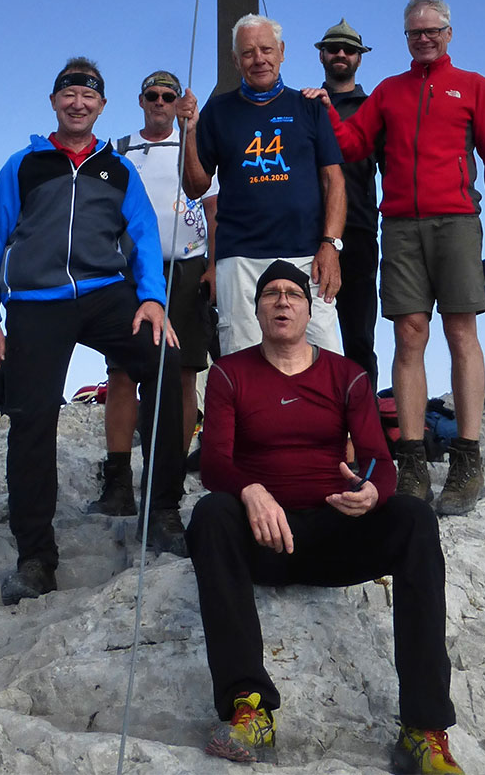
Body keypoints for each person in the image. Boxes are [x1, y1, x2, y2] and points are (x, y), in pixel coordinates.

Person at [186, 261, 463, 774]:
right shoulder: (229, 373)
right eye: (271, 295)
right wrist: (250, 490)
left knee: (414, 518)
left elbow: (380, 458)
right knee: (211, 514)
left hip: (336, 533)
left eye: (293, 294)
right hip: (263, 538)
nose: (283, 302)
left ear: (309, 310)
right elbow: (214, 461)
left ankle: (424, 730)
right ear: (258, 309)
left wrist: (372, 495)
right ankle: (249, 710)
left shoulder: (347, 376)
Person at [0, 57, 187, 605]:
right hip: (36, 302)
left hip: (105, 294)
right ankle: (36, 559)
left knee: (164, 362)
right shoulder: (22, 166)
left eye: (88, 96)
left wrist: (154, 301)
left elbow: (141, 235)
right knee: (32, 418)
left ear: (101, 105)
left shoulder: (119, 170)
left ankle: (160, 511)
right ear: (54, 102)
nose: (78, 103)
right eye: (68, 94)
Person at [307, 0, 485, 516]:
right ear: (405, 38)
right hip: (399, 223)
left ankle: (468, 460)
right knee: (408, 335)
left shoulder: (473, 86)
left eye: (432, 31)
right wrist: (325, 113)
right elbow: (354, 144)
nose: (423, 39)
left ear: (449, 33)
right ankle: (413, 463)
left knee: (461, 331)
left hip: (457, 221)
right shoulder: (389, 92)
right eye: (414, 33)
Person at [89, 69, 218, 516]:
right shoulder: (118, 150)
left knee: (183, 373)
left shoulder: (193, 147)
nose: (160, 102)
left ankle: (170, 476)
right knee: (123, 372)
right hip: (130, 270)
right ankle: (119, 480)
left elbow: (214, 206)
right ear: (140, 100)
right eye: (153, 95)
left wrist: (214, 266)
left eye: (169, 95)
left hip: (187, 266)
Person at [180, 14, 346, 356]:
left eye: (267, 49)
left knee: (324, 356)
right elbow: (196, 186)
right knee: (242, 361)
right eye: (248, 52)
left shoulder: (308, 106)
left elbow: (334, 180)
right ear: (235, 60)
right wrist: (190, 131)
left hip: (306, 253)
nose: (259, 59)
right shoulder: (217, 110)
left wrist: (331, 245)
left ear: (282, 51)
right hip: (239, 257)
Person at [314, 18, 382, 392]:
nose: (341, 54)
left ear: (360, 58)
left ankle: (364, 432)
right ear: (321, 55)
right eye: (334, 48)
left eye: (349, 49)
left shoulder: (374, 109)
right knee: (307, 335)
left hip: (357, 231)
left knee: (358, 336)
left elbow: (395, 168)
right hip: (310, 232)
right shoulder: (304, 105)